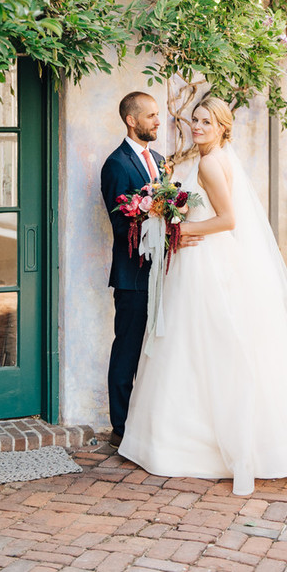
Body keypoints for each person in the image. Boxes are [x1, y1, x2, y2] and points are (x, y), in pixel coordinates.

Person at [118, 95, 287, 495]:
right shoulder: (217, 158)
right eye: (195, 120)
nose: (198, 126)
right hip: (203, 262)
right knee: (199, 345)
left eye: (206, 121)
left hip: (205, 265)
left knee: (199, 344)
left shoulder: (209, 163)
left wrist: (178, 231)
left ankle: (198, 441)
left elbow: (228, 220)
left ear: (222, 127)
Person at [100, 92, 165, 450]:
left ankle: (150, 418)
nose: (158, 121)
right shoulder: (116, 164)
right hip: (133, 277)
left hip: (165, 275)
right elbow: (122, 226)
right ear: (132, 120)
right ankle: (121, 427)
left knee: (158, 352)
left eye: (157, 115)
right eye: (151, 116)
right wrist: (160, 221)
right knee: (127, 350)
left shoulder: (159, 160)